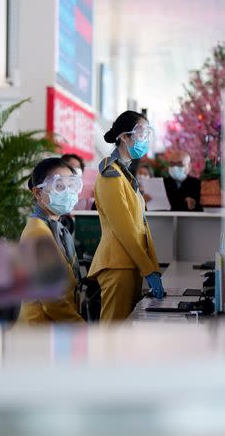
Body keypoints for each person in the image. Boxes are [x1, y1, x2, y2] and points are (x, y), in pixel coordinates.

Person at [87, 111, 164, 322]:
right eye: (140, 133)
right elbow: (125, 229)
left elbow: (141, 227)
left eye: (147, 133)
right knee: (113, 336)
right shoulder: (111, 175)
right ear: (124, 136)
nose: (144, 139)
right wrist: (148, 269)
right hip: (117, 265)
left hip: (129, 264)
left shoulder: (124, 174)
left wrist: (153, 268)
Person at [16, 158, 85, 324]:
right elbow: (53, 301)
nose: (68, 192)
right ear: (38, 193)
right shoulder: (38, 233)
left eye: (71, 185)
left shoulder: (54, 227)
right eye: (59, 186)